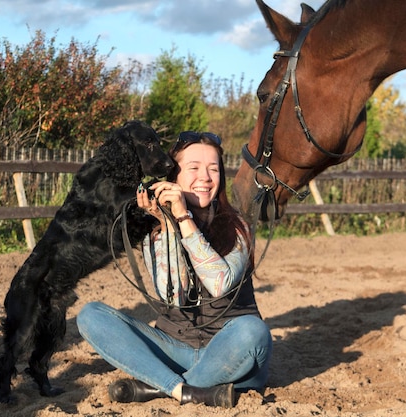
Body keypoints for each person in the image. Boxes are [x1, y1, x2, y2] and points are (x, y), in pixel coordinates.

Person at [76, 131, 272, 408]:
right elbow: (174, 296)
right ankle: (187, 390)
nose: (205, 177)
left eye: (213, 169)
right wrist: (168, 226)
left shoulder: (239, 226)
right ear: (173, 178)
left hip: (230, 355)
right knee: (90, 315)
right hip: (174, 349)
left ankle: (162, 386)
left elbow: (219, 283)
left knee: (253, 331)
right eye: (193, 168)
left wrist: (183, 217)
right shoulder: (154, 230)